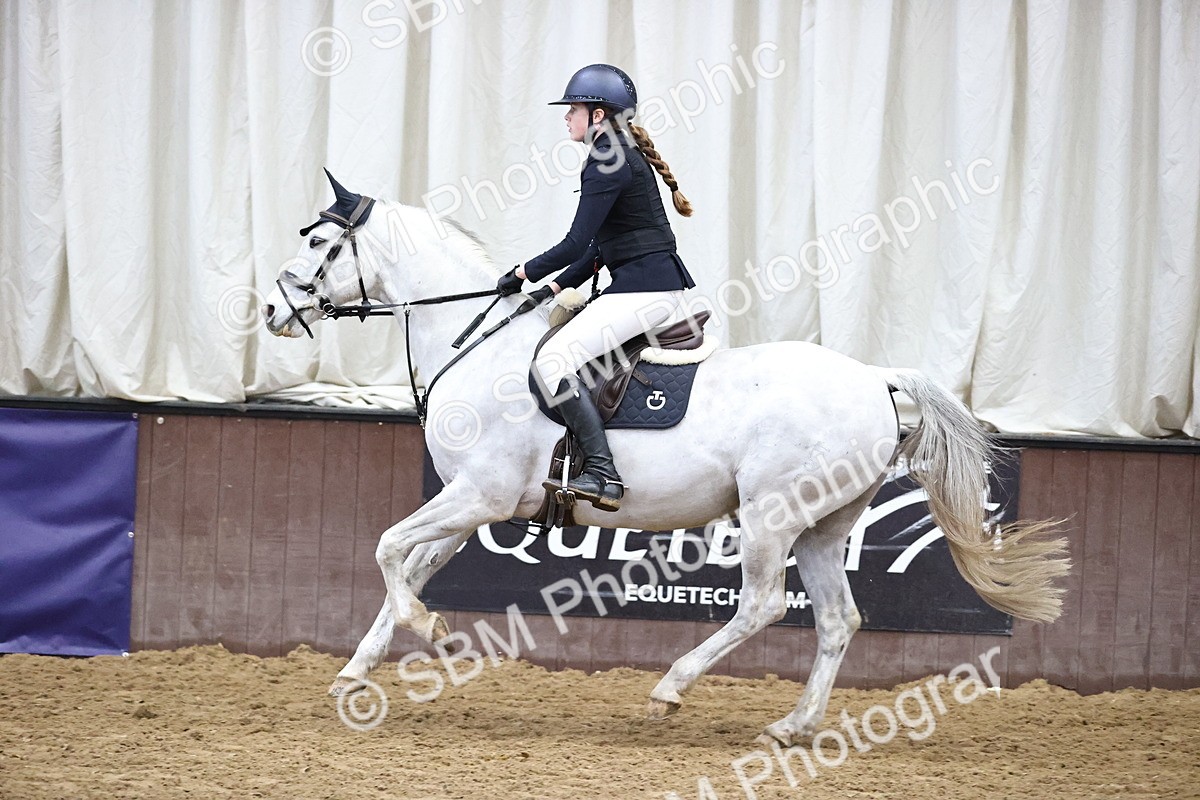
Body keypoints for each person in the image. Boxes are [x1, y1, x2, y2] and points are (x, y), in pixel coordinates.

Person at [496, 63, 697, 513]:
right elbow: (598, 250)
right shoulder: (619, 152)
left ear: (600, 115)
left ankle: (602, 473)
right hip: (648, 285)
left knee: (551, 363)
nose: (567, 117)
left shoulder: (607, 159)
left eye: (574, 108)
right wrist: (551, 290)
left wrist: (522, 272)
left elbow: (574, 244)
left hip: (643, 292)